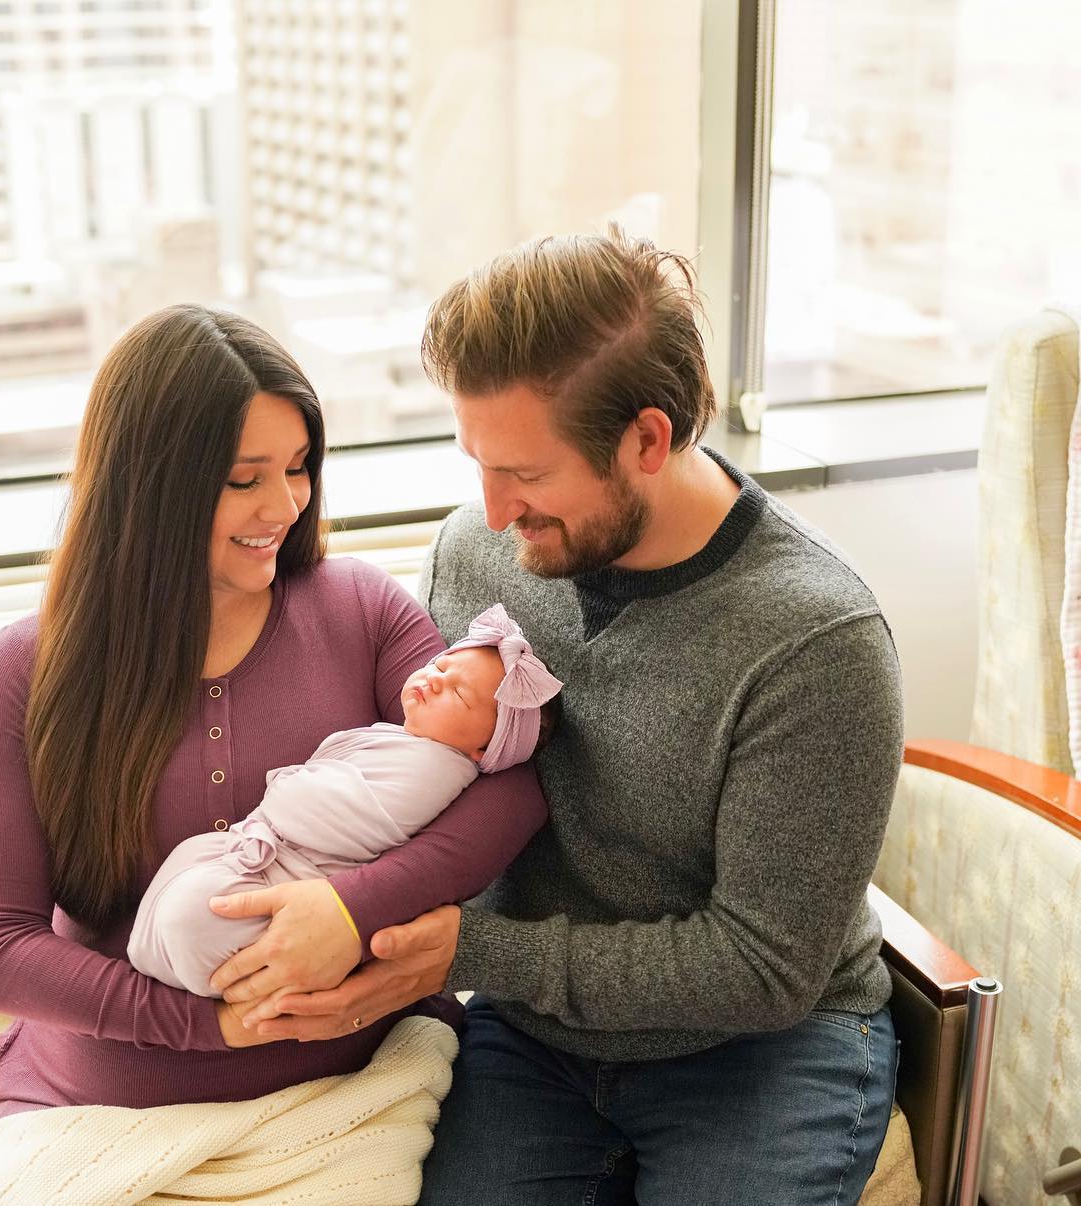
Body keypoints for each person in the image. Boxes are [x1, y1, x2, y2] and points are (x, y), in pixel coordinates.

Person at [214, 231, 905, 1206]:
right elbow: (413, 790)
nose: (493, 512)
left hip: (760, 1047)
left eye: (525, 476)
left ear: (649, 441)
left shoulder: (814, 642)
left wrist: (472, 952)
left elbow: (763, 964)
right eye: (478, 466)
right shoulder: (475, 556)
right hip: (532, 1036)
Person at [0, 304, 548, 1137]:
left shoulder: (362, 610)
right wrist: (213, 1027)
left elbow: (510, 791)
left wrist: (349, 911)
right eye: (244, 478)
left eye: (300, 468)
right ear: (149, 486)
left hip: (358, 1086)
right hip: (103, 1103)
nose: (286, 504)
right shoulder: (25, 670)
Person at [128, 604, 563, 997]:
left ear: (484, 751)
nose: (435, 680)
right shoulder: (408, 742)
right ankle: (165, 954)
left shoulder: (436, 771)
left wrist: (287, 785)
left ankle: (235, 985)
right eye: (442, 664)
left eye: (458, 693)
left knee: (194, 915)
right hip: (267, 853)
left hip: (294, 877)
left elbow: (337, 819)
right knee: (190, 866)